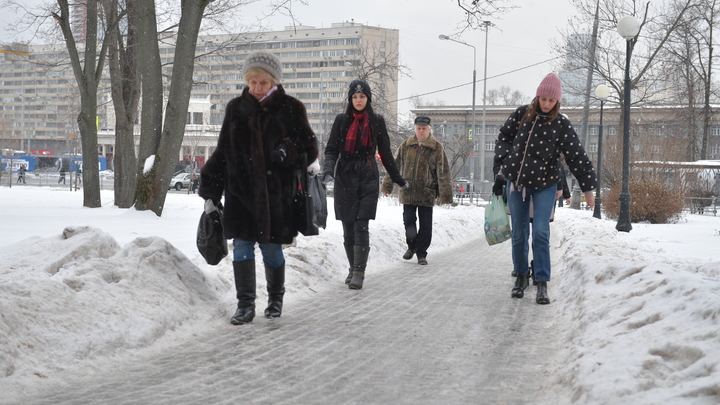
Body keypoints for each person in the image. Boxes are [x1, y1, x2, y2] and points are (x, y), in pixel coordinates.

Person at [199, 51, 318, 325]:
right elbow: (222, 152)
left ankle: (275, 300)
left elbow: (309, 148)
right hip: (241, 194)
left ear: (273, 81)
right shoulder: (235, 109)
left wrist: (286, 151)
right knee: (241, 248)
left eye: (262, 82)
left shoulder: (291, 108)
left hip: (276, 197)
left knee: (271, 249)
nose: (255, 88)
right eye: (251, 82)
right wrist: (210, 191)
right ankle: (245, 306)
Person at [493, 73, 597, 305]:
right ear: (538, 95)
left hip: (545, 185)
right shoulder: (521, 114)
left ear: (557, 102)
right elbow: (503, 137)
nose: (547, 104)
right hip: (516, 184)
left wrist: (588, 189)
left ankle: (542, 281)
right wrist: (504, 162)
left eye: (552, 100)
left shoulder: (561, 124)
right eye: (543, 98)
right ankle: (521, 276)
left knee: (540, 232)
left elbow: (576, 156)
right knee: (519, 233)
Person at [323, 79, 407, 290]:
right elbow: (332, 149)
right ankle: (352, 268)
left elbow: (386, 153)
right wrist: (328, 171)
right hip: (345, 177)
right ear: (350, 99)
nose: (358, 100)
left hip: (367, 176)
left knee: (361, 224)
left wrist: (397, 178)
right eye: (355, 97)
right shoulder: (341, 120)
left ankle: (359, 271)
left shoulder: (377, 121)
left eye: (362, 96)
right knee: (348, 227)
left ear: (368, 98)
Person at [381, 116, 453, 265]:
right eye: (418, 128)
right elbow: (394, 166)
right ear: (415, 129)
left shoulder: (437, 148)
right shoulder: (406, 145)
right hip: (408, 191)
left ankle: (422, 253)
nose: (421, 131)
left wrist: (445, 195)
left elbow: (443, 172)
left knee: (426, 225)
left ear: (429, 129)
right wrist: (387, 185)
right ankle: (411, 246)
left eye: (424, 128)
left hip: (427, 192)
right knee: (408, 221)